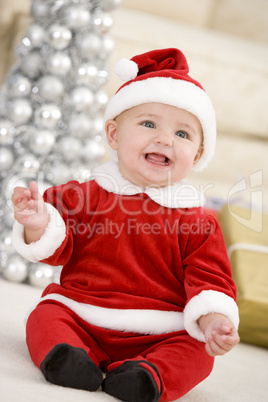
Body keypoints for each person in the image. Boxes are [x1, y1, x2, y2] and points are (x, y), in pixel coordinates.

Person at [11, 48, 240, 402]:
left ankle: (148, 376)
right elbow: (55, 249)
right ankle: (68, 357)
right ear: (114, 135)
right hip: (83, 313)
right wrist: (39, 224)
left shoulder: (199, 221)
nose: (164, 139)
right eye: (148, 124)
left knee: (197, 353)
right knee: (45, 314)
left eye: (182, 134)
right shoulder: (83, 196)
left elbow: (210, 280)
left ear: (195, 156)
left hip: (160, 330)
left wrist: (212, 322)